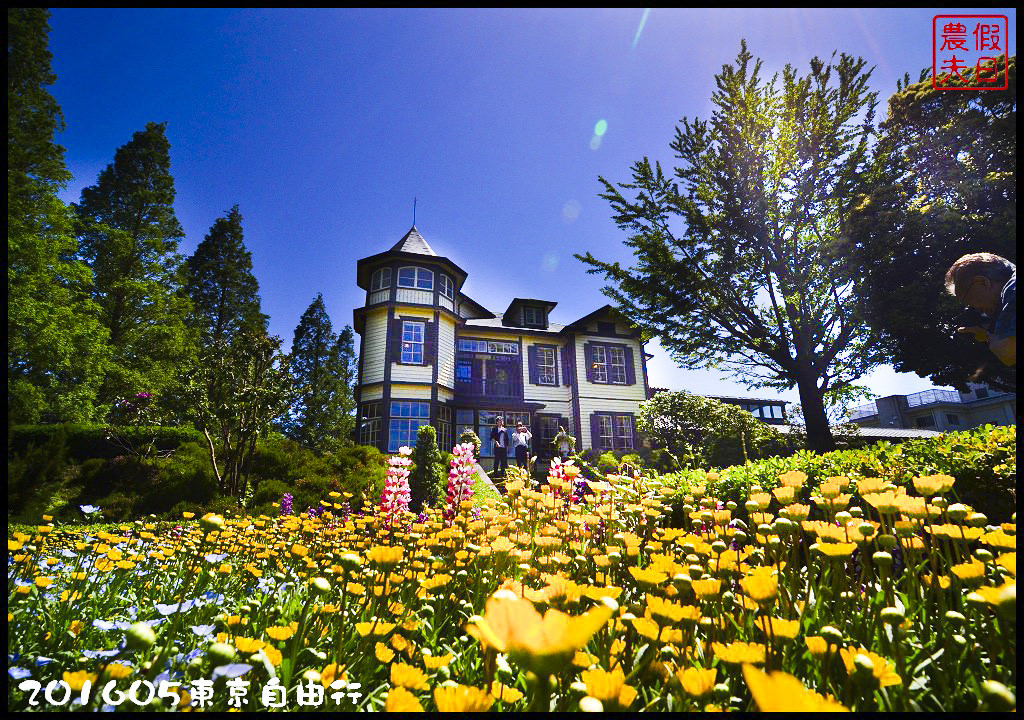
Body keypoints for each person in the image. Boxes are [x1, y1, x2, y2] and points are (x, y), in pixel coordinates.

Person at [945, 253, 1016, 367]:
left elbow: (1008, 352)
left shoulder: (1012, 291)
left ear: (982, 282)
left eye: (969, 300)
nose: (977, 309)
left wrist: (995, 342)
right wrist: (989, 334)